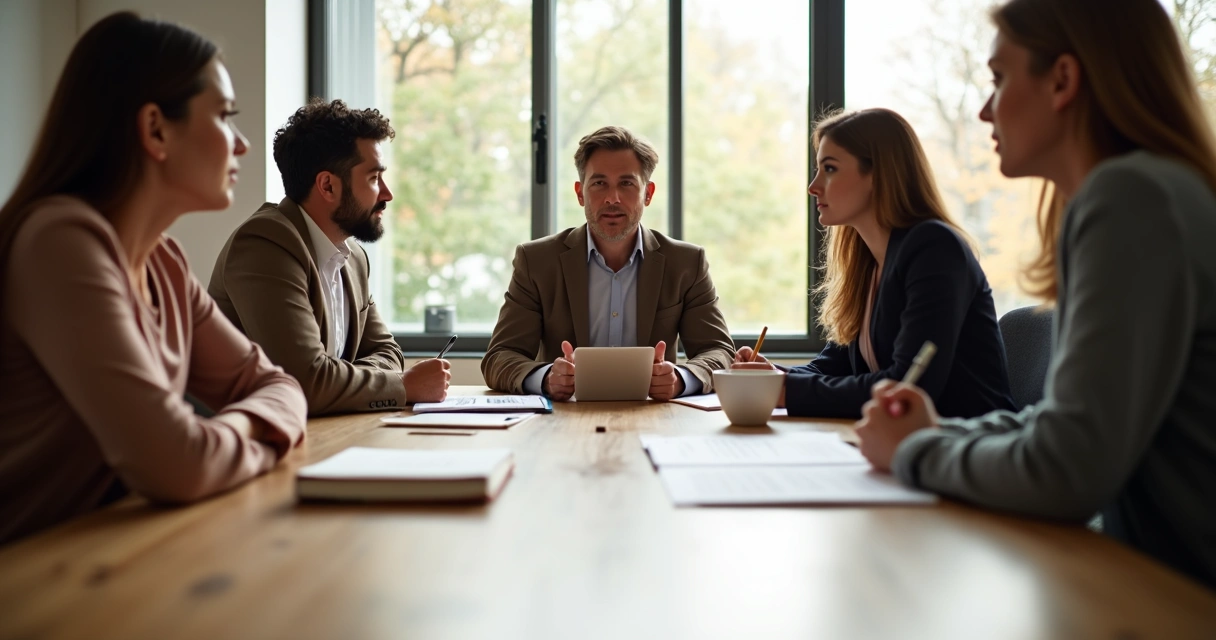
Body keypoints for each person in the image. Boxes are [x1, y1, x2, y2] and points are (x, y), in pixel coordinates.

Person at [855, 0, 1216, 590]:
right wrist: (935, 435)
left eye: (999, 79)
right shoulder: (1148, 192)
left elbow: (1068, 468)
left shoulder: (1131, 199)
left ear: (1063, 80)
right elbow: (1057, 426)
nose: (984, 109)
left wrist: (914, 452)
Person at [0, 12, 307, 545]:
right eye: (224, 116)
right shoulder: (59, 242)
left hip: (108, 551)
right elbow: (179, 466)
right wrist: (256, 428)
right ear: (155, 129)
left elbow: (278, 385)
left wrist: (226, 430)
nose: (242, 145)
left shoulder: (164, 262)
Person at [734, 108, 1016, 419]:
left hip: (968, 441)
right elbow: (835, 366)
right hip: (905, 440)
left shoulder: (935, 248)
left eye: (829, 169)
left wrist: (786, 389)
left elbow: (907, 387)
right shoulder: (867, 262)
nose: (813, 186)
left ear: (879, 175)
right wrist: (772, 376)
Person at [208, 99, 450, 415]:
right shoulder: (265, 244)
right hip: (247, 437)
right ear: (328, 186)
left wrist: (337, 380)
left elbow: (387, 351)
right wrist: (403, 385)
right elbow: (306, 382)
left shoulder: (354, 258)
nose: (387, 194)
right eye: (373, 178)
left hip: (325, 431)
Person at [482, 126, 734, 401]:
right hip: (565, 417)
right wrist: (545, 378)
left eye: (626, 184)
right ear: (580, 193)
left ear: (648, 193)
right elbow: (499, 357)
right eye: (599, 183)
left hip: (655, 415)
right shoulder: (537, 262)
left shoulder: (686, 263)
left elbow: (719, 351)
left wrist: (680, 379)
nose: (612, 198)